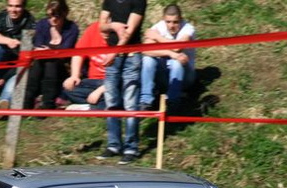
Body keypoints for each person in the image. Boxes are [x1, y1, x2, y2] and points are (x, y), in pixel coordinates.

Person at [96, 0, 146, 165]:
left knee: (130, 103)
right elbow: (101, 25)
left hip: (130, 56)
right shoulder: (109, 1)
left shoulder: (138, 1)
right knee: (111, 101)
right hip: (112, 54)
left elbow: (129, 31)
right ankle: (113, 145)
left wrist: (113, 53)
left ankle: (131, 147)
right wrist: (114, 26)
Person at [22, 0, 78, 110]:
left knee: (50, 62)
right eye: (49, 15)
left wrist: (50, 50)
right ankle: (27, 101)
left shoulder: (71, 28)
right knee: (41, 62)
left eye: (56, 15)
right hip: (41, 64)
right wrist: (50, 52)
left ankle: (47, 103)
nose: (52, 19)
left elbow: (65, 52)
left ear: (64, 14)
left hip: (63, 67)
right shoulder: (42, 24)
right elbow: (38, 46)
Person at [139, 3, 195, 112]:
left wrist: (157, 37)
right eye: (168, 22)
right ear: (164, 20)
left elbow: (178, 47)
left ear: (181, 20)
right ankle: (146, 100)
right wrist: (170, 54)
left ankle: (173, 101)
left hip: (184, 77)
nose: (171, 26)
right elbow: (145, 49)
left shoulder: (188, 29)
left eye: (175, 22)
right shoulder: (159, 26)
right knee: (147, 59)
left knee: (177, 62)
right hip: (164, 74)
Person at [60, 20, 109, 110]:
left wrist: (99, 91)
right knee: (68, 88)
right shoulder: (93, 28)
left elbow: (120, 77)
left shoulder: (122, 36)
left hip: (111, 83)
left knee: (116, 94)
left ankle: (89, 107)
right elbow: (78, 53)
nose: (106, 34)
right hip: (92, 81)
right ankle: (96, 105)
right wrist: (74, 76)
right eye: (104, 31)